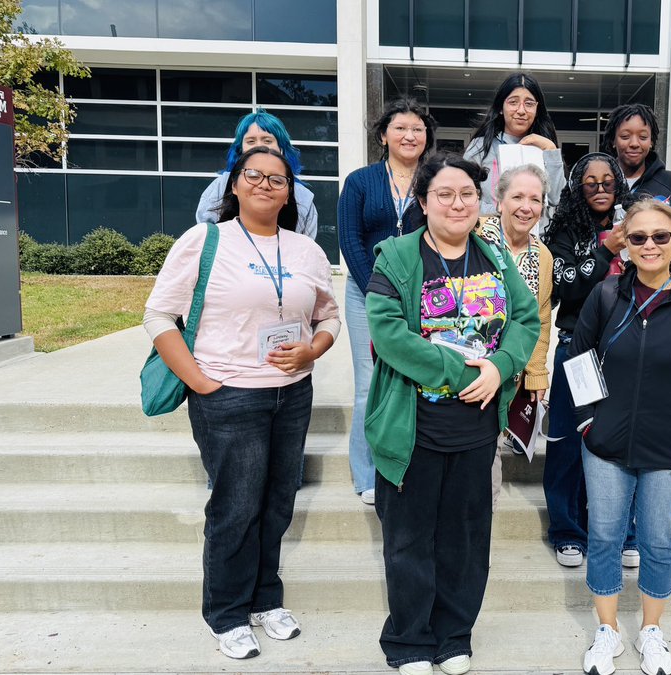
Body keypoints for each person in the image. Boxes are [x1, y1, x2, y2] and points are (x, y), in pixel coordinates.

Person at [144, 146, 340, 659]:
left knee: (277, 504)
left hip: (291, 395)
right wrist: (199, 381)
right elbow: (160, 315)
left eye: (278, 179)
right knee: (235, 507)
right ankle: (227, 612)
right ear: (233, 184)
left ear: (291, 192)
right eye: (253, 175)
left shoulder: (306, 251)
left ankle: (265, 600)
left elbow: (329, 316)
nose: (266, 185)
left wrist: (313, 350)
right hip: (228, 395)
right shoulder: (205, 240)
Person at [364, 153, 540, 675]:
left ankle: (454, 635)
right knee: (410, 539)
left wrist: (503, 365)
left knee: (465, 539)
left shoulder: (495, 256)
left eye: (467, 193)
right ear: (423, 201)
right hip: (413, 426)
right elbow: (389, 334)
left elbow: (526, 319)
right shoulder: (395, 256)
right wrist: (471, 374)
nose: (457, 202)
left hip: (476, 430)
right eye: (444, 193)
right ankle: (409, 641)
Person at [569, 200, 671, 675]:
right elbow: (578, 360)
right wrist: (586, 423)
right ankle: (608, 630)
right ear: (626, 244)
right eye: (638, 237)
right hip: (606, 445)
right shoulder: (606, 295)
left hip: (669, 450)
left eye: (661, 236)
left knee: (658, 541)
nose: (650, 245)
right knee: (603, 537)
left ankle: (652, 631)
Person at [338, 98, 437, 505]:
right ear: (384, 135)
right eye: (400, 128)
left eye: (417, 128)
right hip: (366, 294)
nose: (409, 135)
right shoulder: (361, 181)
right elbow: (349, 239)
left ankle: (404, 463)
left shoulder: (433, 181)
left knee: (411, 381)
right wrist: (376, 290)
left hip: (419, 295)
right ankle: (366, 474)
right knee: (368, 386)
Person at [541, 152, 638, 569]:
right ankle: (567, 531)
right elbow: (566, 285)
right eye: (590, 182)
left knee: (626, 442)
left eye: (607, 181)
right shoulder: (564, 230)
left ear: (618, 184)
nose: (600, 189)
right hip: (580, 351)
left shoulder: (638, 222)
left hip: (630, 350)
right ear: (577, 188)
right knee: (568, 442)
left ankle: (624, 532)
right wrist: (607, 249)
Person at [474, 164, 553, 510]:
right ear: (499, 199)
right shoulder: (475, 235)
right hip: (470, 364)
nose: (526, 206)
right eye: (517, 196)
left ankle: (478, 541)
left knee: (489, 455)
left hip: (512, 373)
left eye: (535, 199)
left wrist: (536, 373)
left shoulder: (543, 255)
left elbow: (541, 318)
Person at [601, 103, 671, 289]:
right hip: (612, 288)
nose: (634, 143)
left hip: (667, 287)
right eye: (625, 136)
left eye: (643, 137)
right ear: (613, 140)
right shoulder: (600, 184)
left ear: (651, 141)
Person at [464, 72, 566, 228]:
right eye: (513, 102)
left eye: (529, 103)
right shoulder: (480, 147)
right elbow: (464, 197)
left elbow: (557, 199)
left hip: (536, 241)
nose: (521, 110)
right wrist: (498, 209)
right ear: (500, 107)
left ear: (537, 108)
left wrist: (551, 150)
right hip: (489, 237)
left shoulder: (545, 148)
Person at [196, 110, 319, 240]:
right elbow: (206, 233)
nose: (259, 146)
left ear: (281, 148)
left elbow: (306, 245)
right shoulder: (222, 184)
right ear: (240, 149)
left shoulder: (303, 197)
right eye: (251, 141)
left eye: (267, 141)